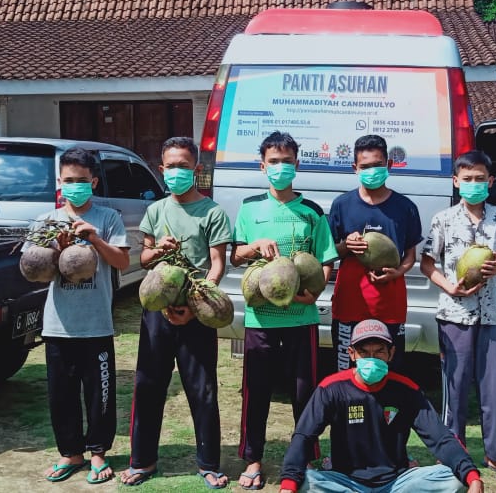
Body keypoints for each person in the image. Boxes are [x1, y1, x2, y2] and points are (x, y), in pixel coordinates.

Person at [120, 137, 233, 489]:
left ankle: (209, 463)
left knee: (202, 388)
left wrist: (198, 302)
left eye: (184, 166)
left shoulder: (212, 212)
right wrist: (158, 252)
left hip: (196, 310)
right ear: (162, 169)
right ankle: (142, 461)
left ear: (196, 170)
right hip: (158, 310)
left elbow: (217, 266)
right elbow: (143, 260)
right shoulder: (155, 211)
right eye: (171, 166)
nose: (177, 172)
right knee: (148, 384)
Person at [230, 131, 338, 490]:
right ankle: (253, 459)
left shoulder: (312, 212)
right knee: (255, 391)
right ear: (262, 166)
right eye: (273, 161)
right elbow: (235, 255)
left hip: (301, 318)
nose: (280, 167)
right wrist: (254, 246)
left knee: (304, 393)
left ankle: (306, 458)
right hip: (260, 318)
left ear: (297, 164)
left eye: (286, 161)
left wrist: (314, 294)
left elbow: (326, 262)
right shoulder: (249, 208)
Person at [420, 150, 496, 483]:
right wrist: (449, 287)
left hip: (492, 314)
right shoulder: (443, 219)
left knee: (492, 388)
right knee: (454, 388)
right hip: (454, 314)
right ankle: (452, 455)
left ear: (490, 181)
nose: (473, 184)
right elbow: (427, 264)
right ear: (456, 182)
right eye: (467, 179)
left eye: (480, 179)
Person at [278, 319, 484, 493]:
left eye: (379, 352)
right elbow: (304, 436)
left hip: (396, 483)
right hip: (345, 483)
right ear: (352, 354)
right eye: (364, 352)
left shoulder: (406, 389)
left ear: (391, 353)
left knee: (454, 478)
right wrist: (288, 483)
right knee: (305, 481)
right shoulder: (331, 389)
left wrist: (471, 476)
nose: (372, 358)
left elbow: (440, 437)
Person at [31, 147, 130, 485]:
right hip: (58, 324)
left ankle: (99, 453)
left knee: (99, 394)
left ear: (94, 181)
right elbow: (35, 273)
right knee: (61, 395)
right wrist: (55, 249)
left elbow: (122, 262)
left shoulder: (108, 218)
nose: (75, 186)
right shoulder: (45, 222)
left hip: (96, 324)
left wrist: (93, 239)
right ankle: (70, 453)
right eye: (69, 180)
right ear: (60, 182)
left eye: (82, 181)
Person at [327, 135, 421, 372]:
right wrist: (346, 246)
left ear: (388, 165)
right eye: (365, 166)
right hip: (350, 302)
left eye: (377, 165)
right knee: (348, 370)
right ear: (355, 168)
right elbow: (328, 252)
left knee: (389, 370)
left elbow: (410, 255)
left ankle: (386, 411)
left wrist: (397, 271)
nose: (372, 171)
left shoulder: (406, 207)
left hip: (389, 304)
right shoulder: (342, 204)